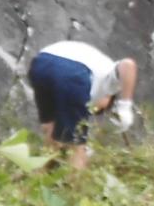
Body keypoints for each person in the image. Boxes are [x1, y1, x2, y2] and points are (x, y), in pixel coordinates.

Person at [27, 39, 138, 169]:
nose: (93, 110)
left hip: (41, 64)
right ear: (109, 99)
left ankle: (40, 176)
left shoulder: (96, 67)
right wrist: (124, 106)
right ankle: (75, 185)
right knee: (76, 146)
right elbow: (128, 65)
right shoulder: (110, 84)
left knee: (50, 129)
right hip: (73, 72)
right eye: (98, 110)